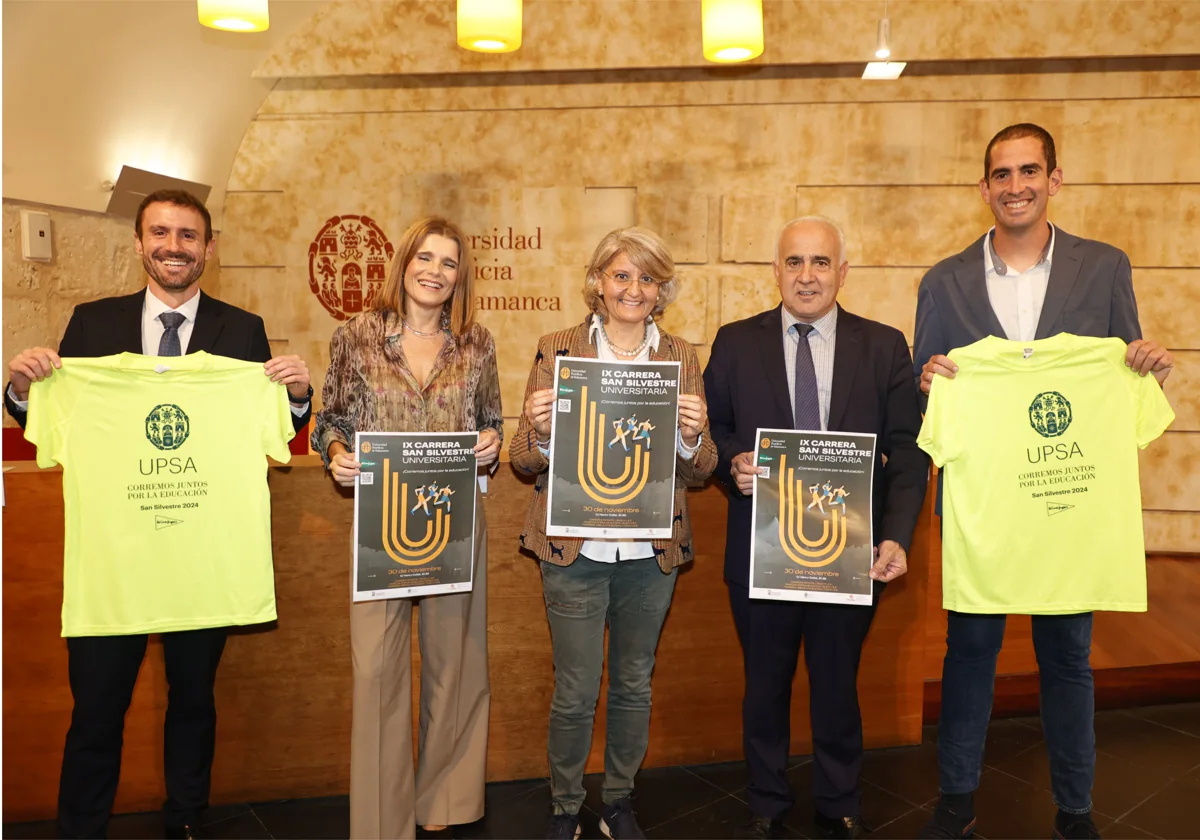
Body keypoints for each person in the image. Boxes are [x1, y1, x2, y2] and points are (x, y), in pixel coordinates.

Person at [4, 189, 313, 840]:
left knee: (194, 702)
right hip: (112, 561)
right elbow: (54, 426)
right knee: (95, 710)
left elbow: (272, 433)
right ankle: (80, 830)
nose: (175, 246)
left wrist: (297, 397)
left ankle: (186, 822)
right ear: (139, 243)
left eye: (189, 235)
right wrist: (22, 390)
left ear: (209, 248)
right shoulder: (91, 325)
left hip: (199, 557)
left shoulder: (243, 331)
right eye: (162, 233)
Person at [912, 123, 1174, 840]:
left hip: (1067, 505)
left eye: (1030, 171)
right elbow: (921, 387)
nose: (1017, 185)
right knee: (969, 658)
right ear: (984, 187)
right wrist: (928, 379)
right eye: (1002, 174)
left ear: (1055, 179)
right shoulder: (943, 280)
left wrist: (1144, 359)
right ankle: (955, 801)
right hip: (987, 510)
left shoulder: (1105, 266)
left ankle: (1076, 809)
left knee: (1068, 659)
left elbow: (1121, 363)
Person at [702, 216, 929, 840]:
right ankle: (767, 803)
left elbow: (908, 452)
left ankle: (839, 800)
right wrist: (732, 464)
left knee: (836, 683)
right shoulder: (735, 342)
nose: (807, 275)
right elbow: (712, 434)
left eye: (821, 263)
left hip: (850, 550)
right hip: (760, 548)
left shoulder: (884, 347)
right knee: (765, 684)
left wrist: (897, 535)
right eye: (795, 262)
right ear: (775, 271)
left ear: (843, 272)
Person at [510, 227, 717, 840]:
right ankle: (565, 806)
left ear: (661, 291)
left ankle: (620, 800)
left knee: (633, 683)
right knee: (574, 689)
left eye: (647, 278)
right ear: (598, 281)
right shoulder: (558, 347)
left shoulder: (681, 357)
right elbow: (523, 459)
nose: (633, 288)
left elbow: (702, 468)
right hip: (574, 551)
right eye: (621, 275)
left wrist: (690, 435)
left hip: (648, 553)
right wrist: (541, 430)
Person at [312, 216, 502, 840]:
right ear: (404, 263)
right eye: (425, 257)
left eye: (449, 263)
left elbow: (491, 422)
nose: (435, 271)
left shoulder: (477, 343)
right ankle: (381, 820)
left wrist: (490, 442)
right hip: (380, 519)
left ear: (460, 277)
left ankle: (443, 804)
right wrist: (336, 452)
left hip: (454, 519)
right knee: (377, 672)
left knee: (457, 666)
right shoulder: (358, 336)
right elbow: (330, 418)